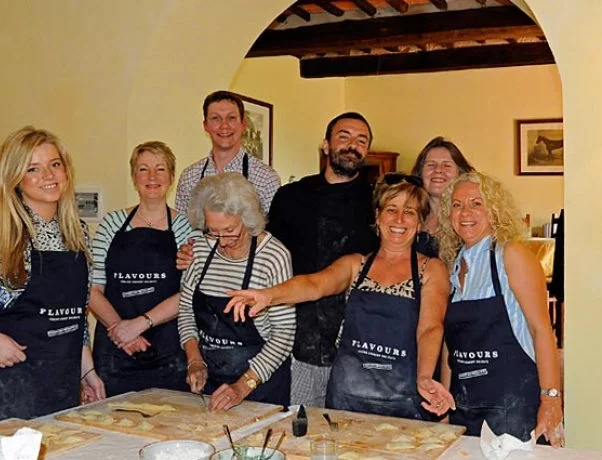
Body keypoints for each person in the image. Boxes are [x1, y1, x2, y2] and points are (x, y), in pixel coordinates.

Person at [227, 173, 453, 419]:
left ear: (420, 223)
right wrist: (268, 295)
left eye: (409, 212)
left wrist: (424, 378)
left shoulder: (431, 269)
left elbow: (430, 328)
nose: (399, 219)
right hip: (347, 397)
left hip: (404, 401)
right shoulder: (356, 264)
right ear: (377, 217)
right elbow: (314, 284)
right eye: (391, 209)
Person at [0, 126, 105, 431]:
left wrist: (87, 372)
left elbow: (74, 316)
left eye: (55, 164)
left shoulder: (77, 233)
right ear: (15, 178)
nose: (48, 176)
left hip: (56, 388)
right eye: (33, 169)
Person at [436, 172, 564, 446]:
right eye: (457, 205)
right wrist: (446, 404)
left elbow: (541, 330)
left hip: (514, 408)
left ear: (494, 210)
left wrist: (551, 399)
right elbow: (451, 346)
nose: (465, 212)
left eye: (476, 203)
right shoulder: (453, 266)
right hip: (465, 408)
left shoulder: (511, 254)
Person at [266, 112, 377, 407]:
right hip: (297, 331)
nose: (352, 145)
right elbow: (267, 255)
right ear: (326, 145)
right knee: (301, 421)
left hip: (358, 334)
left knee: (355, 429)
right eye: (344, 136)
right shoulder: (290, 196)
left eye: (361, 140)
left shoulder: (378, 202)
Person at [178, 173, 295, 410]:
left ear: (247, 218)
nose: (221, 241)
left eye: (229, 230)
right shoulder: (199, 248)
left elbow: (284, 334)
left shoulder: (273, 256)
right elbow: (186, 312)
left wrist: (243, 386)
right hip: (210, 380)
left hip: (260, 384)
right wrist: (194, 361)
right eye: (213, 231)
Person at [89, 141, 193, 396]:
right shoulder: (111, 224)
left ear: (171, 176)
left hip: (168, 352)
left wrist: (141, 324)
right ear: (134, 177)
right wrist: (121, 330)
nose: (152, 177)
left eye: (160, 169)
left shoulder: (186, 227)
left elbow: (190, 292)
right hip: (116, 352)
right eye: (143, 169)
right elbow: (92, 289)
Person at [175, 90, 281, 216]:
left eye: (231, 118)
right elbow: (182, 232)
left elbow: (272, 232)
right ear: (205, 126)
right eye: (216, 118)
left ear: (243, 124)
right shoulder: (189, 177)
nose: (224, 126)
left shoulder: (267, 179)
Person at [410, 136, 474, 257]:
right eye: (431, 165)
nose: (438, 170)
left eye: (447, 165)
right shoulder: (408, 214)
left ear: (460, 172)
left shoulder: (471, 217)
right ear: (420, 173)